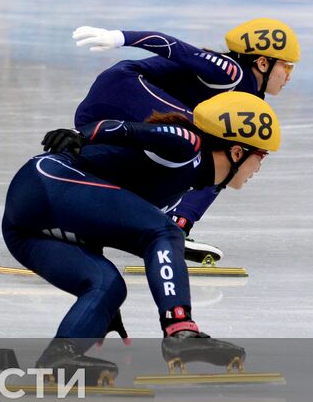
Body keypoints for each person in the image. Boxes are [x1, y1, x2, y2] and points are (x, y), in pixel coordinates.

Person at [3, 92, 282, 383]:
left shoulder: (181, 190)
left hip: (22, 227)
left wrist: (99, 311)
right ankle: (180, 330)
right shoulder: (189, 145)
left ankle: (60, 356)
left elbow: (95, 212)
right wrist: (80, 135)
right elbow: (125, 129)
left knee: (107, 286)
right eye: (261, 156)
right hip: (48, 178)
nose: (259, 167)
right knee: (165, 231)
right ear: (237, 152)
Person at [69, 18, 297, 263]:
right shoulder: (231, 72)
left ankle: (76, 218)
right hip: (123, 89)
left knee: (155, 163)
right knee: (217, 152)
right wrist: (119, 37)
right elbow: (171, 45)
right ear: (262, 62)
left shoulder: (249, 96)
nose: (289, 76)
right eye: (288, 67)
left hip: (101, 111)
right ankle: (174, 226)